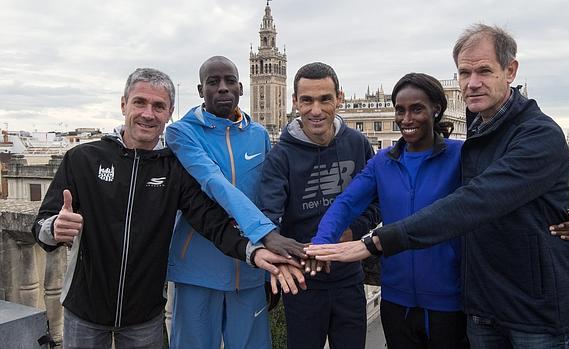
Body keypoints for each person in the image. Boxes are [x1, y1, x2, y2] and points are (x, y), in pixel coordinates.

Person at [307, 24, 569, 349]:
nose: (473, 82)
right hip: (476, 306)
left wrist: (376, 242)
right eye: (465, 73)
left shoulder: (520, 138)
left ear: (510, 71)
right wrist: (320, 246)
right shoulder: (470, 138)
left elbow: (478, 200)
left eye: (484, 71)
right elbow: (347, 203)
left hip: (525, 311)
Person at [32, 68, 291, 349]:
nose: (148, 113)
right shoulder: (83, 158)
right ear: (124, 104)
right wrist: (54, 228)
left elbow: (210, 221)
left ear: (169, 114)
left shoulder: (174, 168)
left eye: (159, 106)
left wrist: (256, 252)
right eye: (140, 102)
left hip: (145, 316)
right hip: (84, 312)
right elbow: (42, 225)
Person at [312, 72, 467, 348]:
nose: (406, 119)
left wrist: (567, 218)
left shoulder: (461, 156)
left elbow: (497, 196)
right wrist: (321, 245)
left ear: (436, 109)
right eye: (400, 110)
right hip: (396, 300)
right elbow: (346, 204)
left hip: (449, 300)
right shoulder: (382, 162)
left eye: (416, 109)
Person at [165, 56, 305, 349]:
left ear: (241, 87)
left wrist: (269, 271)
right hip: (199, 271)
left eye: (230, 81)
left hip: (253, 272)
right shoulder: (181, 132)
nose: (223, 88)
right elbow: (214, 183)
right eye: (213, 82)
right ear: (201, 89)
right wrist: (266, 234)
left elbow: (270, 197)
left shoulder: (258, 135)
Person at [259, 62, 380, 349]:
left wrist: (348, 235)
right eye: (307, 100)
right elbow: (268, 219)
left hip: (350, 278)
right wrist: (301, 254)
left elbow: (376, 204)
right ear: (295, 103)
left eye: (325, 99)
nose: (316, 110)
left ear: (339, 97)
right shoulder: (280, 156)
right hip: (303, 282)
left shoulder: (358, 144)